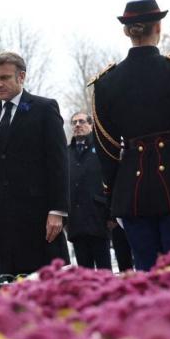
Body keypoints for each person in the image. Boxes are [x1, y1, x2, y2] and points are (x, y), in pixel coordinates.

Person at [91, 0, 170, 271]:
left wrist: (114, 197)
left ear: (127, 31)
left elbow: (107, 150)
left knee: (148, 279)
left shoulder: (106, 83)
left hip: (132, 195)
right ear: (158, 27)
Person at [0, 52, 69, 275]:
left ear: (21, 76)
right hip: (3, 220)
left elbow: (58, 163)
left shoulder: (44, 109)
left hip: (41, 217)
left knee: (48, 283)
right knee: (12, 287)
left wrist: (58, 210)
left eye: (5, 78)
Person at [66, 112, 111, 270]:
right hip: (76, 223)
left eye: (82, 121)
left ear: (91, 125)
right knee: (84, 275)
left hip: (99, 218)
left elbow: (110, 180)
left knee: (105, 273)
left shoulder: (101, 149)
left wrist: (111, 213)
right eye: (74, 122)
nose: (77, 125)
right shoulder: (66, 153)